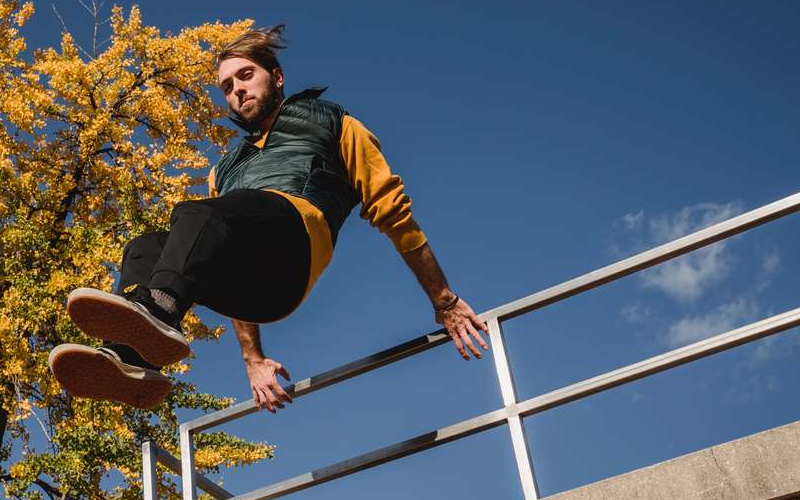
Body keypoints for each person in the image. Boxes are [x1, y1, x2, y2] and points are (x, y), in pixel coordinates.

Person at [49, 24, 488, 410]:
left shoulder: (331, 122)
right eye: (226, 86)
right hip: (255, 288)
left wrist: (443, 300)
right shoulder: (223, 170)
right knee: (146, 246)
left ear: (275, 77)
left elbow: (391, 208)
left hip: (294, 246)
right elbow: (217, 245)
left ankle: (158, 311)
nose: (237, 90)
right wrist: (252, 359)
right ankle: (129, 360)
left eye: (246, 76)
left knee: (200, 216)